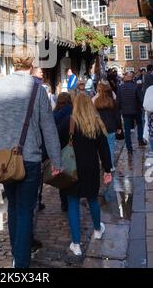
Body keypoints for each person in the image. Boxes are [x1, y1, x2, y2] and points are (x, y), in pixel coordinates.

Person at [0, 45, 61, 268]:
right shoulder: (38, 90)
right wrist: (57, 160)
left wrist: (4, 129)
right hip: (30, 159)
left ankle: (17, 255)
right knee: (25, 211)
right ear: (31, 62)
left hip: (4, 160)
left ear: (13, 61)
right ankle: (21, 265)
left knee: (14, 209)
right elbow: (49, 128)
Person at [58, 94, 112, 256]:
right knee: (92, 199)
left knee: (73, 204)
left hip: (72, 168)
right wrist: (107, 169)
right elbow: (104, 149)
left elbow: (58, 140)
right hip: (91, 168)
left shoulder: (69, 122)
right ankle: (97, 229)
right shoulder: (96, 122)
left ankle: (76, 244)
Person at [93, 81, 122, 169]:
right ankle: (110, 166)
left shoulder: (96, 101)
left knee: (101, 147)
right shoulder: (112, 101)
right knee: (110, 146)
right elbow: (117, 116)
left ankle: (104, 163)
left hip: (100, 127)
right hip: (111, 127)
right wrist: (119, 127)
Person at [117, 71, 146, 155]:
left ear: (127, 77)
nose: (123, 77)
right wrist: (141, 107)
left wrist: (119, 111)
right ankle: (140, 140)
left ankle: (129, 148)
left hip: (125, 111)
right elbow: (141, 99)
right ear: (132, 77)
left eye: (124, 75)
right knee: (140, 124)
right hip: (136, 110)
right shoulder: (136, 87)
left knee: (127, 130)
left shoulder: (120, 88)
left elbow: (118, 101)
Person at [54, 92, 73, 212]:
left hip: (58, 148)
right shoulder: (73, 111)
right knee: (72, 174)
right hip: (71, 147)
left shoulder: (54, 114)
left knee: (62, 177)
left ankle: (64, 202)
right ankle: (72, 199)